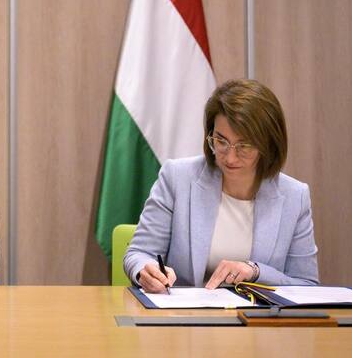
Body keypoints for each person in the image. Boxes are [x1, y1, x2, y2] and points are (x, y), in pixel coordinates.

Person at [124, 79, 318, 293]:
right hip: (183, 312)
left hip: (257, 314)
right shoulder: (177, 178)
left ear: (268, 145)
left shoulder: (295, 196)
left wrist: (255, 271)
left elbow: (306, 285)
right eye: (221, 141)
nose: (230, 157)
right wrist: (145, 271)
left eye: (244, 145)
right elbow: (139, 253)